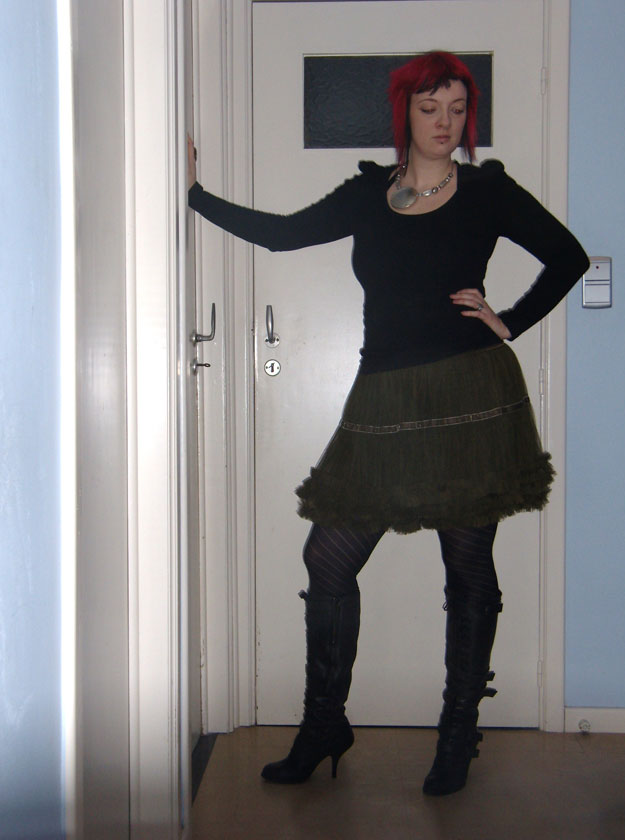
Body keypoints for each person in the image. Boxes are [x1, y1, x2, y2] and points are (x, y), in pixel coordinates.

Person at [187, 51, 588, 796]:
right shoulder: (369, 194)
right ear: (404, 110)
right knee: (329, 557)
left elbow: (567, 256)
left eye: (458, 109)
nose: (445, 122)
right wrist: (193, 195)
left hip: (470, 394)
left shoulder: (488, 191)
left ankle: (458, 732)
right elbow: (282, 235)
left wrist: (510, 320)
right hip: (383, 399)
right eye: (430, 107)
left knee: (466, 563)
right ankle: (324, 723)